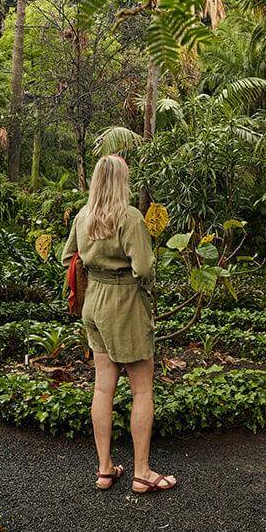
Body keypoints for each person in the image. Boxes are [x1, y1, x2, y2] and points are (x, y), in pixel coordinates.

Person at [62, 154, 177, 494]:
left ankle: (104, 469)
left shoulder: (83, 217)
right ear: (122, 182)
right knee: (142, 388)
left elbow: (67, 257)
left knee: (102, 388)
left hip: (93, 303)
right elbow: (143, 268)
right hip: (125, 302)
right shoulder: (129, 217)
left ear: (97, 180)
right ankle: (142, 473)